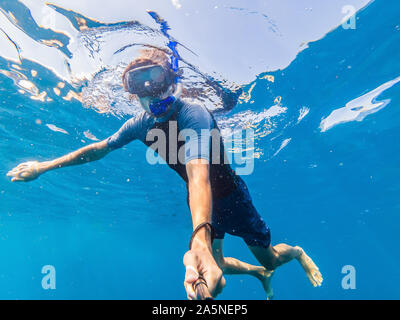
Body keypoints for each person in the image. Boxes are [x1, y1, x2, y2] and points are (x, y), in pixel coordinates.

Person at [7, 48, 323, 300]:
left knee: (271, 258)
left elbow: (199, 173)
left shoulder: (194, 113)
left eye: (157, 83)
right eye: (140, 86)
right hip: (201, 204)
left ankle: (294, 253)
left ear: (171, 83)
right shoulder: (139, 125)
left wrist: (199, 236)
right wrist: (43, 167)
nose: (152, 94)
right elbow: (98, 149)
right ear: (134, 95)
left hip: (231, 197)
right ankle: (259, 274)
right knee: (220, 264)